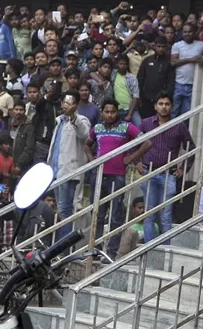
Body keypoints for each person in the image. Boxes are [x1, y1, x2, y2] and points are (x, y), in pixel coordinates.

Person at [85, 98, 151, 260]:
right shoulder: (97, 128)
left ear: (117, 112)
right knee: (98, 215)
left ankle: (111, 252)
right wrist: (92, 160)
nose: (109, 115)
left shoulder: (126, 127)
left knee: (115, 216)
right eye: (106, 112)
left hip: (117, 177)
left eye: (112, 112)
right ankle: (96, 250)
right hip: (99, 176)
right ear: (102, 113)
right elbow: (87, 145)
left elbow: (147, 142)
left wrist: (130, 158)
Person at [137, 91, 195, 243]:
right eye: (161, 104)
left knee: (166, 214)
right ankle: (150, 250)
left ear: (171, 107)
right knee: (149, 214)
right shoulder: (146, 123)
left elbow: (191, 148)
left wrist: (183, 168)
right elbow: (132, 143)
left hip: (169, 174)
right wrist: (136, 161)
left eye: (167, 104)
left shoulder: (179, 125)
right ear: (155, 106)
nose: (164, 107)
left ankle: (165, 251)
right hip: (148, 173)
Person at [47, 90, 90, 240]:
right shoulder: (59, 120)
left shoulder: (81, 120)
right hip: (56, 171)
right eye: (65, 102)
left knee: (65, 211)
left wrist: (73, 116)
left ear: (76, 105)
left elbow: (84, 134)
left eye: (70, 103)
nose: (66, 105)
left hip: (69, 172)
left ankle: (63, 247)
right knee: (60, 210)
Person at [10, 100, 35, 175]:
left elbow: (29, 148)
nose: (18, 112)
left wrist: (19, 165)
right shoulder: (9, 123)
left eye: (21, 110)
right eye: (16, 109)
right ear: (13, 110)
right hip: (8, 163)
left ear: (24, 111)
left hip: (22, 166)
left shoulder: (29, 126)